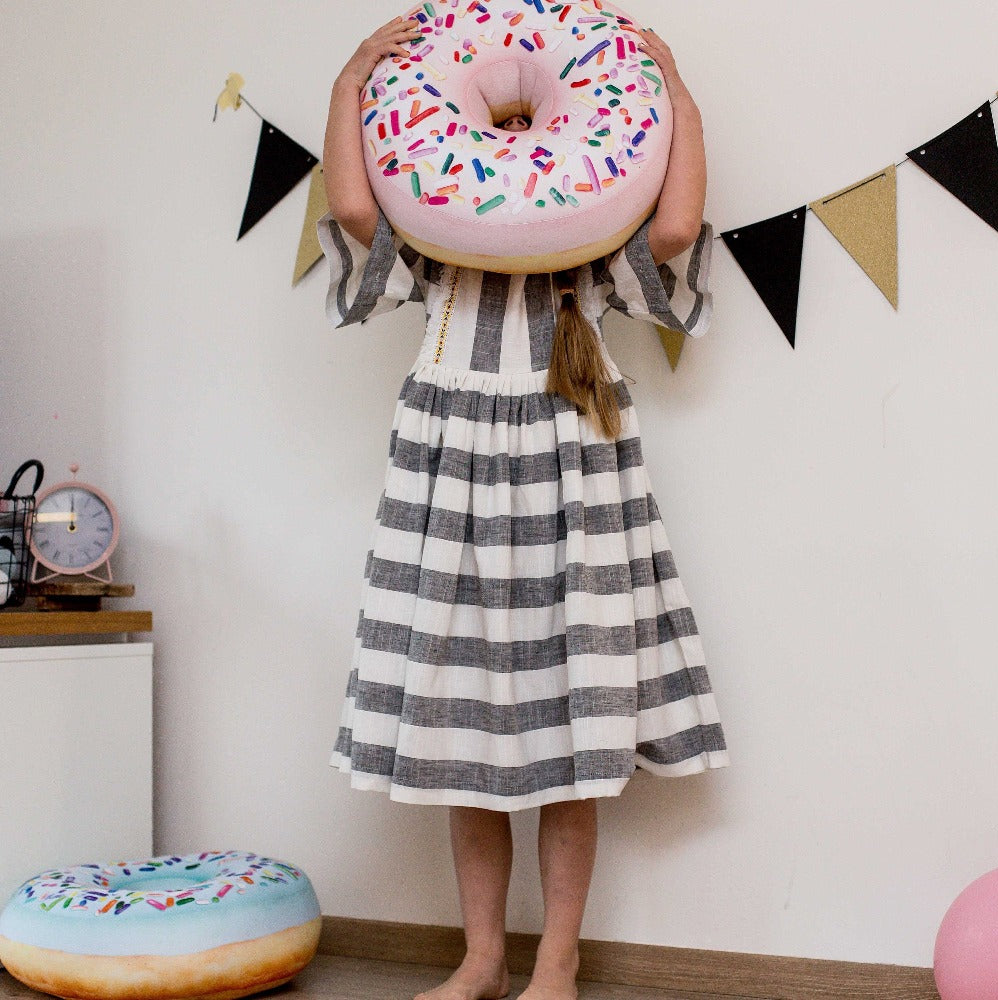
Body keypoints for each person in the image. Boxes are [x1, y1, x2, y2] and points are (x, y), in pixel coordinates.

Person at [318, 15, 730, 1000]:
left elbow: (672, 230)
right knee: (464, 744)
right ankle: (481, 956)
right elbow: (352, 208)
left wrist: (668, 81)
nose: (505, 157)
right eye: (489, 134)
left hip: (565, 475)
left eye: (522, 135)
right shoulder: (435, 241)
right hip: (451, 478)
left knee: (567, 736)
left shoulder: (587, 248)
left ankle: (557, 957)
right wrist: (352, 81)